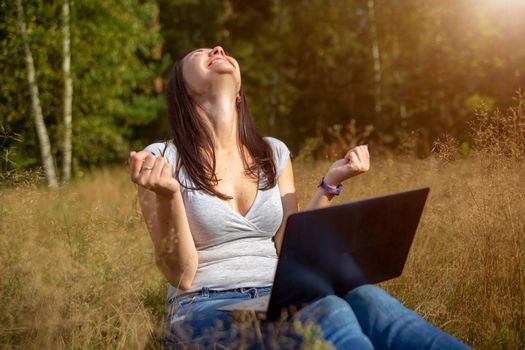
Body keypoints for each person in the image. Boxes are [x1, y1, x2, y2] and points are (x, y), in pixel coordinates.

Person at [129, 46, 470, 349]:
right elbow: (181, 276)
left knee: (369, 298)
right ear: (183, 91)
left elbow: (289, 244)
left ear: (238, 93)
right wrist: (169, 196)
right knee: (329, 309)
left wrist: (331, 183)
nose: (217, 49)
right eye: (199, 54)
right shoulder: (160, 160)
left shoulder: (273, 153)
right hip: (202, 309)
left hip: (279, 294)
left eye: (220, 49)